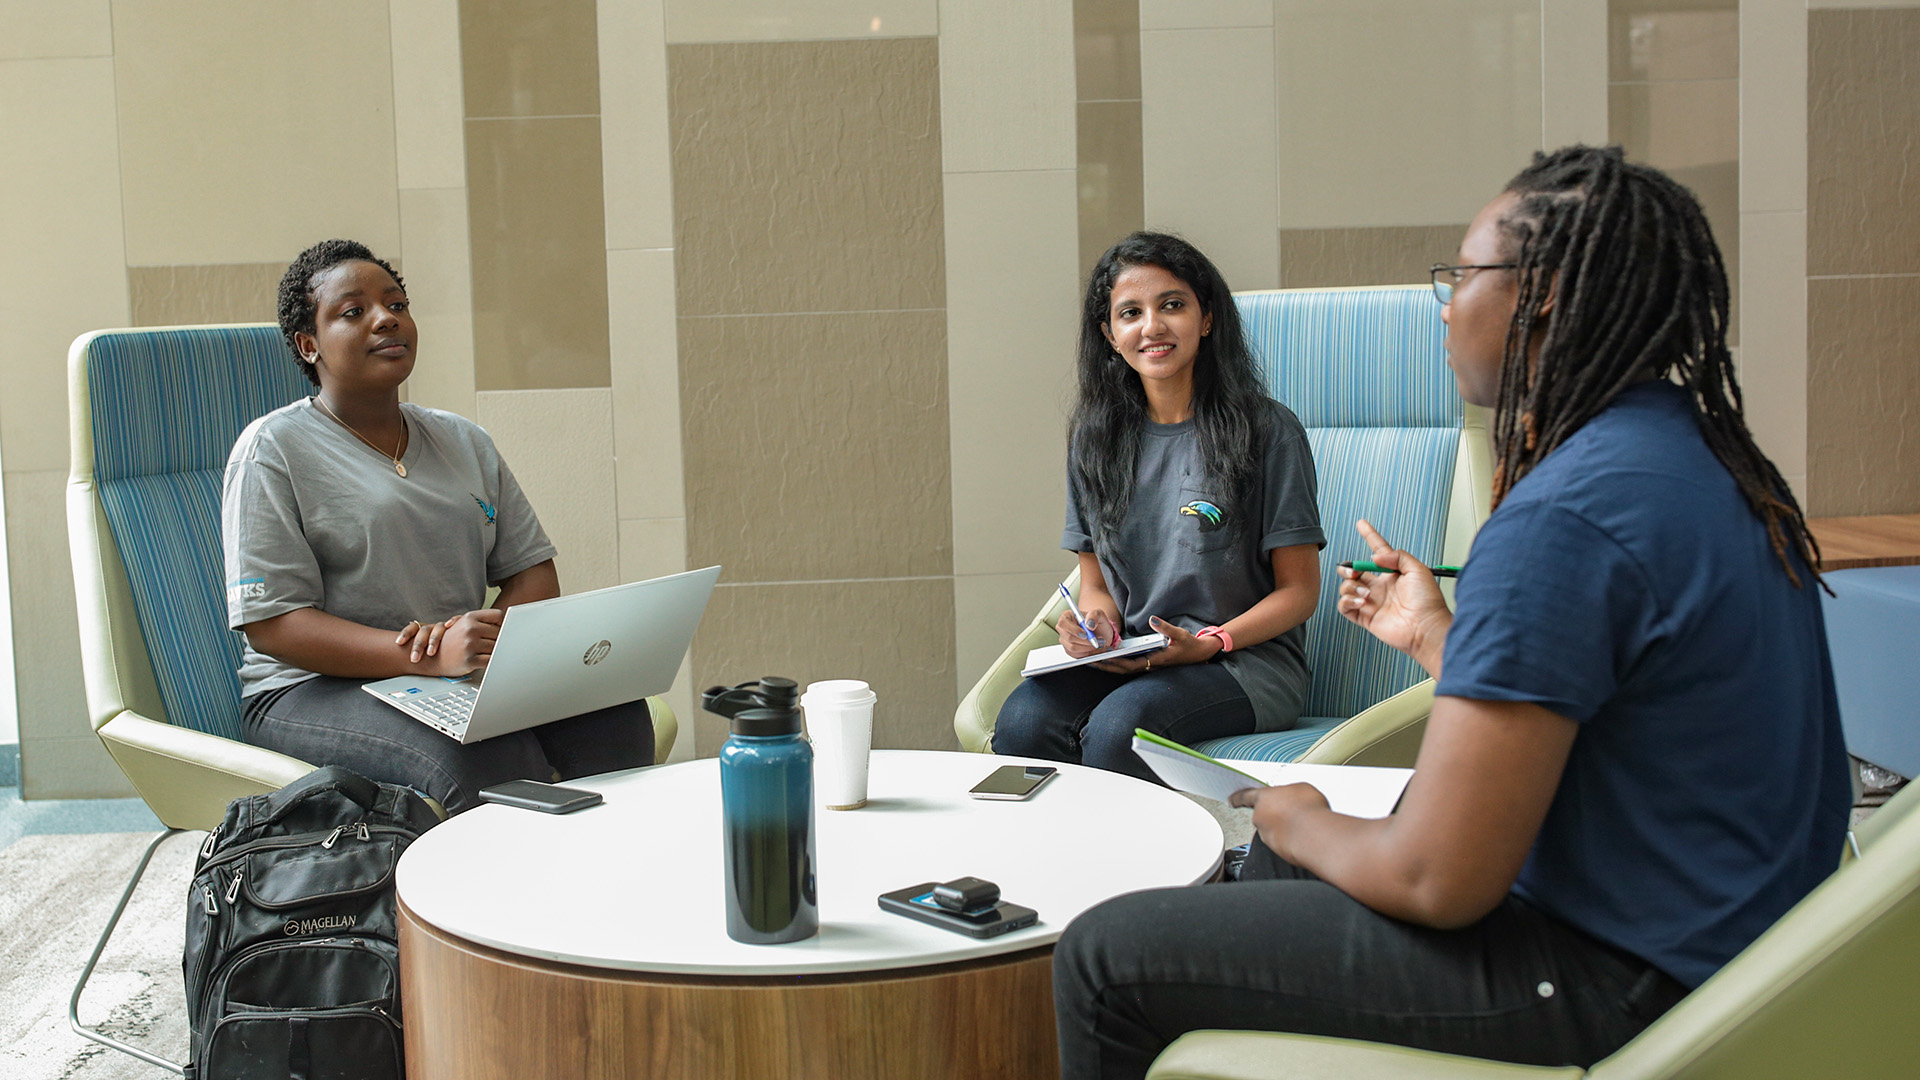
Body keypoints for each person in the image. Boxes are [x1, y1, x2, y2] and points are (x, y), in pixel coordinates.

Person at [1051, 146, 1851, 1077]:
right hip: (1717, 934)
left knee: (1106, 955)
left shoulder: (1565, 513)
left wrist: (1291, 813)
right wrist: (1437, 636)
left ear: (1541, 295)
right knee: (1284, 868)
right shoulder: (1691, 454)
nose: (1446, 303)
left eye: (1464, 274)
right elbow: (1614, 709)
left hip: (1613, 973)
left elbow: (1438, 882)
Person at [222, 239, 654, 814]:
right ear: (309, 345)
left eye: (396, 303)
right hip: (309, 689)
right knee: (487, 757)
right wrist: (425, 657)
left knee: (614, 721)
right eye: (354, 312)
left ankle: (606, 893)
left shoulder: (462, 441)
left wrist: (492, 640)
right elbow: (274, 626)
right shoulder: (272, 449)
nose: (386, 319)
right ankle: (495, 903)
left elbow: (532, 572)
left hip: (451, 676)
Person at [991, 232, 1324, 783]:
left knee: (1123, 726)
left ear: (1206, 318)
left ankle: (1157, 870)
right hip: (1139, 652)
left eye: (1172, 305)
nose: (1153, 326)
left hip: (1243, 663)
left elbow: (1299, 592)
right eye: (1130, 313)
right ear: (1110, 334)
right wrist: (1093, 627)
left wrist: (1209, 642)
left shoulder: (1268, 431)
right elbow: (1095, 583)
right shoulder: (1095, 439)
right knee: (1024, 721)